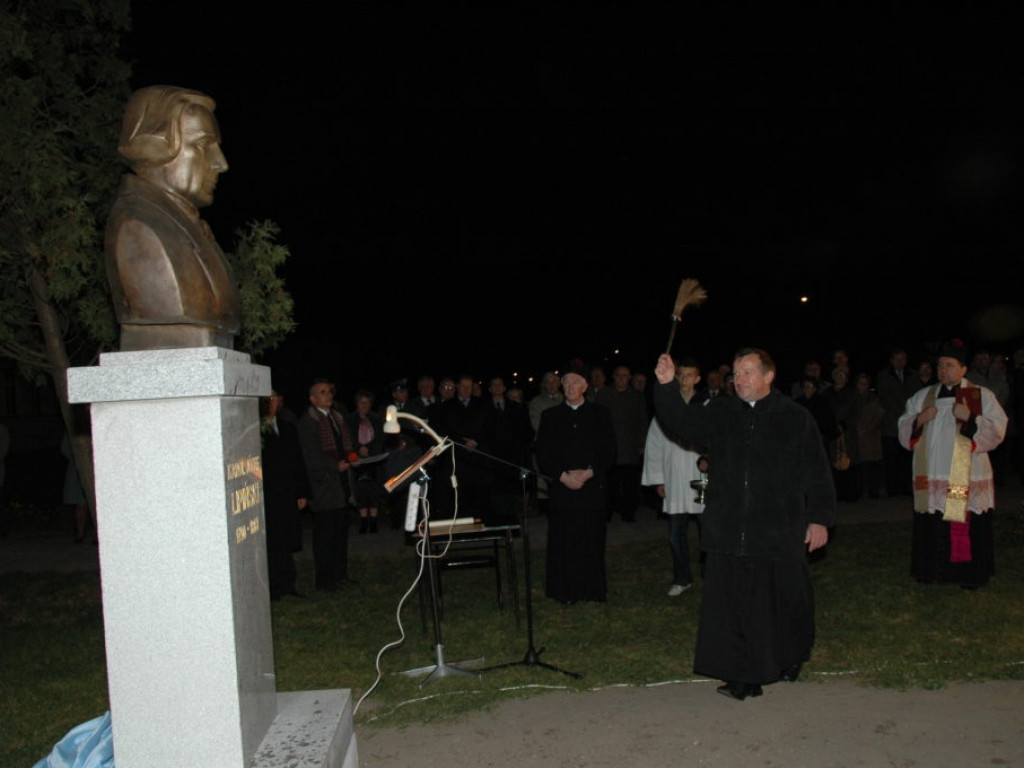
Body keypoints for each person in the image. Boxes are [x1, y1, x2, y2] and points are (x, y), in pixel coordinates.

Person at [653, 349, 835, 701]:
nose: (740, 379)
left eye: (748, 372)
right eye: (736, 373)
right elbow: (682, 422)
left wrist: (819, 519)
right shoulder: (721, 412)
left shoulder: (795, 417)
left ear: (769, 376)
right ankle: (743, 674)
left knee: (785, 601)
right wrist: (664, 386)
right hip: (729, 528)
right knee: (736, 606)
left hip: (778, 529)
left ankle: (789, 657)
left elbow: (817, 470)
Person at [105, 86, 240, 351]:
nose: (221, 163)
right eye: (203, 145)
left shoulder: (188, 225)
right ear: (156, 147)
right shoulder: (138, 228)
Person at [898, 340, 1007, 589]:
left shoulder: (979, 395)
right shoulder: (923, 397)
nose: (942, 369)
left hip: (964, 478)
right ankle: (929, 571)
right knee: (931, 521)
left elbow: (997, 431)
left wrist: (969, 417)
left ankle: (967, 575)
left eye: (949, 365)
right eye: (940, 365)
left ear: (964, 369)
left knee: (963, 522)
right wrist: (919, 419)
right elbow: (904, 431)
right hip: (932, 477)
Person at [535, 371, 616, 603]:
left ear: (585, 387)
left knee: (592, 538)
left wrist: (589, 472)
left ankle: (593, 590)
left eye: (576, 382)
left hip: (592, 488)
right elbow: (543, 453)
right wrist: (562, 476)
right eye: (566, 382)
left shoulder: (600, 414)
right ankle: (565, 591)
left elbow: (609, 450)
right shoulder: (550, 416)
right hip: (563, 489)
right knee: (564, 540)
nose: (570, 386)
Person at [641, 360, 708, 596]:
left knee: (708, 532)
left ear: (698, 379)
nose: (683, 379)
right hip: (675, 478)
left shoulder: (707, 406)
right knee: (675, 535)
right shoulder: (665, 408)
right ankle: (682, 577)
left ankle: (711, 577)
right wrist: (659, 479)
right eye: (680, 375)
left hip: (702, 478)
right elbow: (655, 445)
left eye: (689, 375)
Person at [298, 380, 357, 591]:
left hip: (340, 484)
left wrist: (352, 456)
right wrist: (334, 465)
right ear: (313, 399)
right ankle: (325, 580)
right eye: (322, 393)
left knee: (340, 532)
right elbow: (310, 456)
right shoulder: (309, 422)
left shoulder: (336, 417)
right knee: (325, 535)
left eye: (329, 392)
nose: (328, 395)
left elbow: (345, 446)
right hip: (323, 486)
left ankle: (340, 575)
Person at [259, 390, 309, 600]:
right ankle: (273, 587)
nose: (273, 402)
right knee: (272, 541)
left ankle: (288, 584)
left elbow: (298, 461)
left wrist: (302, 491)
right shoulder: (256, 429)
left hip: (288, 493)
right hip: (268, 494)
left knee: (287, 539)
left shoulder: (288, 426)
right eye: (268, 398)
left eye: (276, 398)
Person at [595, 365, 649, 522]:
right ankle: (607, 514)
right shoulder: (604, 394)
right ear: (613, 376)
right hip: (609, 448)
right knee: (608, 485)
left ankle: (628, 515)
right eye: (618, 375)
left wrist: (642, 443)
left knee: (630, 485)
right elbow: (597, 420)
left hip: (630, 448)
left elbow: (643, 421)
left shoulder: (637, 396)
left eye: (625, 376)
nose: (621, 379)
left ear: (629, 378)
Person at [877, 347, 918, 496]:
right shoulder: (883, 376)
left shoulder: (913, 375)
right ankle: (893, 488)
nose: (900, 362)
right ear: (892, 360)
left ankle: (907, 487)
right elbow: (883, 398)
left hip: (910, 421)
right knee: (892, 458)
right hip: (891, 422)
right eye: (897, 359)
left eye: (903, 359)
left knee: (907, 457)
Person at [345, 389, 386, 534]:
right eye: (361, 403)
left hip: (374, 459)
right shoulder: (350, 419)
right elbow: (347, 439)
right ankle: (363, 522)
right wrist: (358, 450)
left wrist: (369, 449)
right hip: (356, 460)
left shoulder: (376, 418)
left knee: (373, 491)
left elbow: (381, 438)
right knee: (360, 491)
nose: (364, 405)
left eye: (367, 403)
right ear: (356, 404)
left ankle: (374, 521)